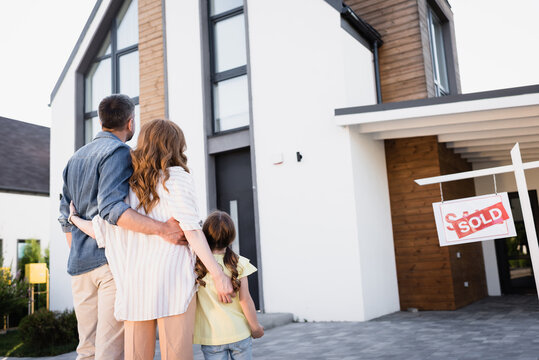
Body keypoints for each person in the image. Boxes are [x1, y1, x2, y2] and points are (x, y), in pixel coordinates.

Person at [68, 119, 234, 360]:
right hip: (174, 284)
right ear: (175, 146)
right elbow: (192, 231)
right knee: (176, 355)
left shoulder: (126, 186)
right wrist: (218, 276)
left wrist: (73, 219)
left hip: (136, 288)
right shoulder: (176, 177)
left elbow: (100, 229)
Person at [59, 94, 188, 360]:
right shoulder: (119, 153)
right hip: (109, 265)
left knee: (86, 351)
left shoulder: (75, 158)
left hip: (79, 266)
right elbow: (112, 209)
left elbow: (65, 217)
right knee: (111, 351)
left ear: (101, 120)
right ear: (130, 123)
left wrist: (80, 253)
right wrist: (163, 229)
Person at [194, 210, 264, 360]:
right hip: (240, 334)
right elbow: (245, 300)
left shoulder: (197, 266)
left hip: (212, 338)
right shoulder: (239, 264)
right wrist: (255, 328)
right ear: (231, 237)